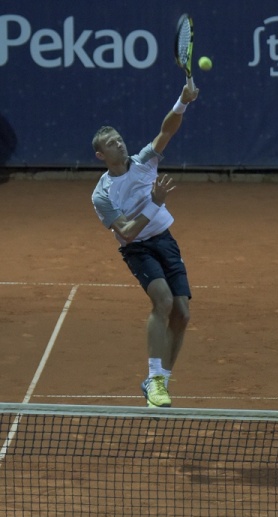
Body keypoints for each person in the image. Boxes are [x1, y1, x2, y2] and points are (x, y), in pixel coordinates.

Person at [91, 82, 200, 407]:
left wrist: (182, 100)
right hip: (137, 249)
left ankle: (160, 382)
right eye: (111, 143)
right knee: (163, 301)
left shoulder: (143, 162)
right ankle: (154, 379)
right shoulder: (102, 194)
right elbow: (125, 232)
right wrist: (154, 203)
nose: (119, 144)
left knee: (182, 313)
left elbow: (166, 130)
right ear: (101, 155)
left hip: (165, 241)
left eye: (120, 139)